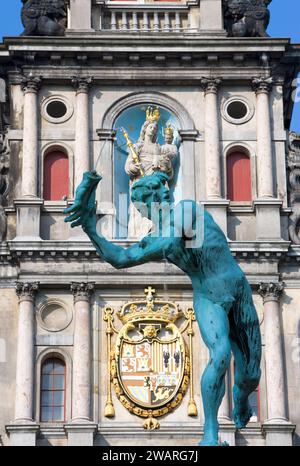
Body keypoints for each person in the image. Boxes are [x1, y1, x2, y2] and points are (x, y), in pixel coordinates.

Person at [64, 170, 261, 446]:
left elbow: (168, 241)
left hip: (236, 289)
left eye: (160, 193)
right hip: (207, 296)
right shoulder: (158, 237)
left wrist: (147, 248)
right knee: (220, 354)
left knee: (251, 375)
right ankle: (210, 434)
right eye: (149, 200)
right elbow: (120, 258)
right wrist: (90, 229)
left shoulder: (186, 211)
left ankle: (241, 401)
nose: (161, 198)